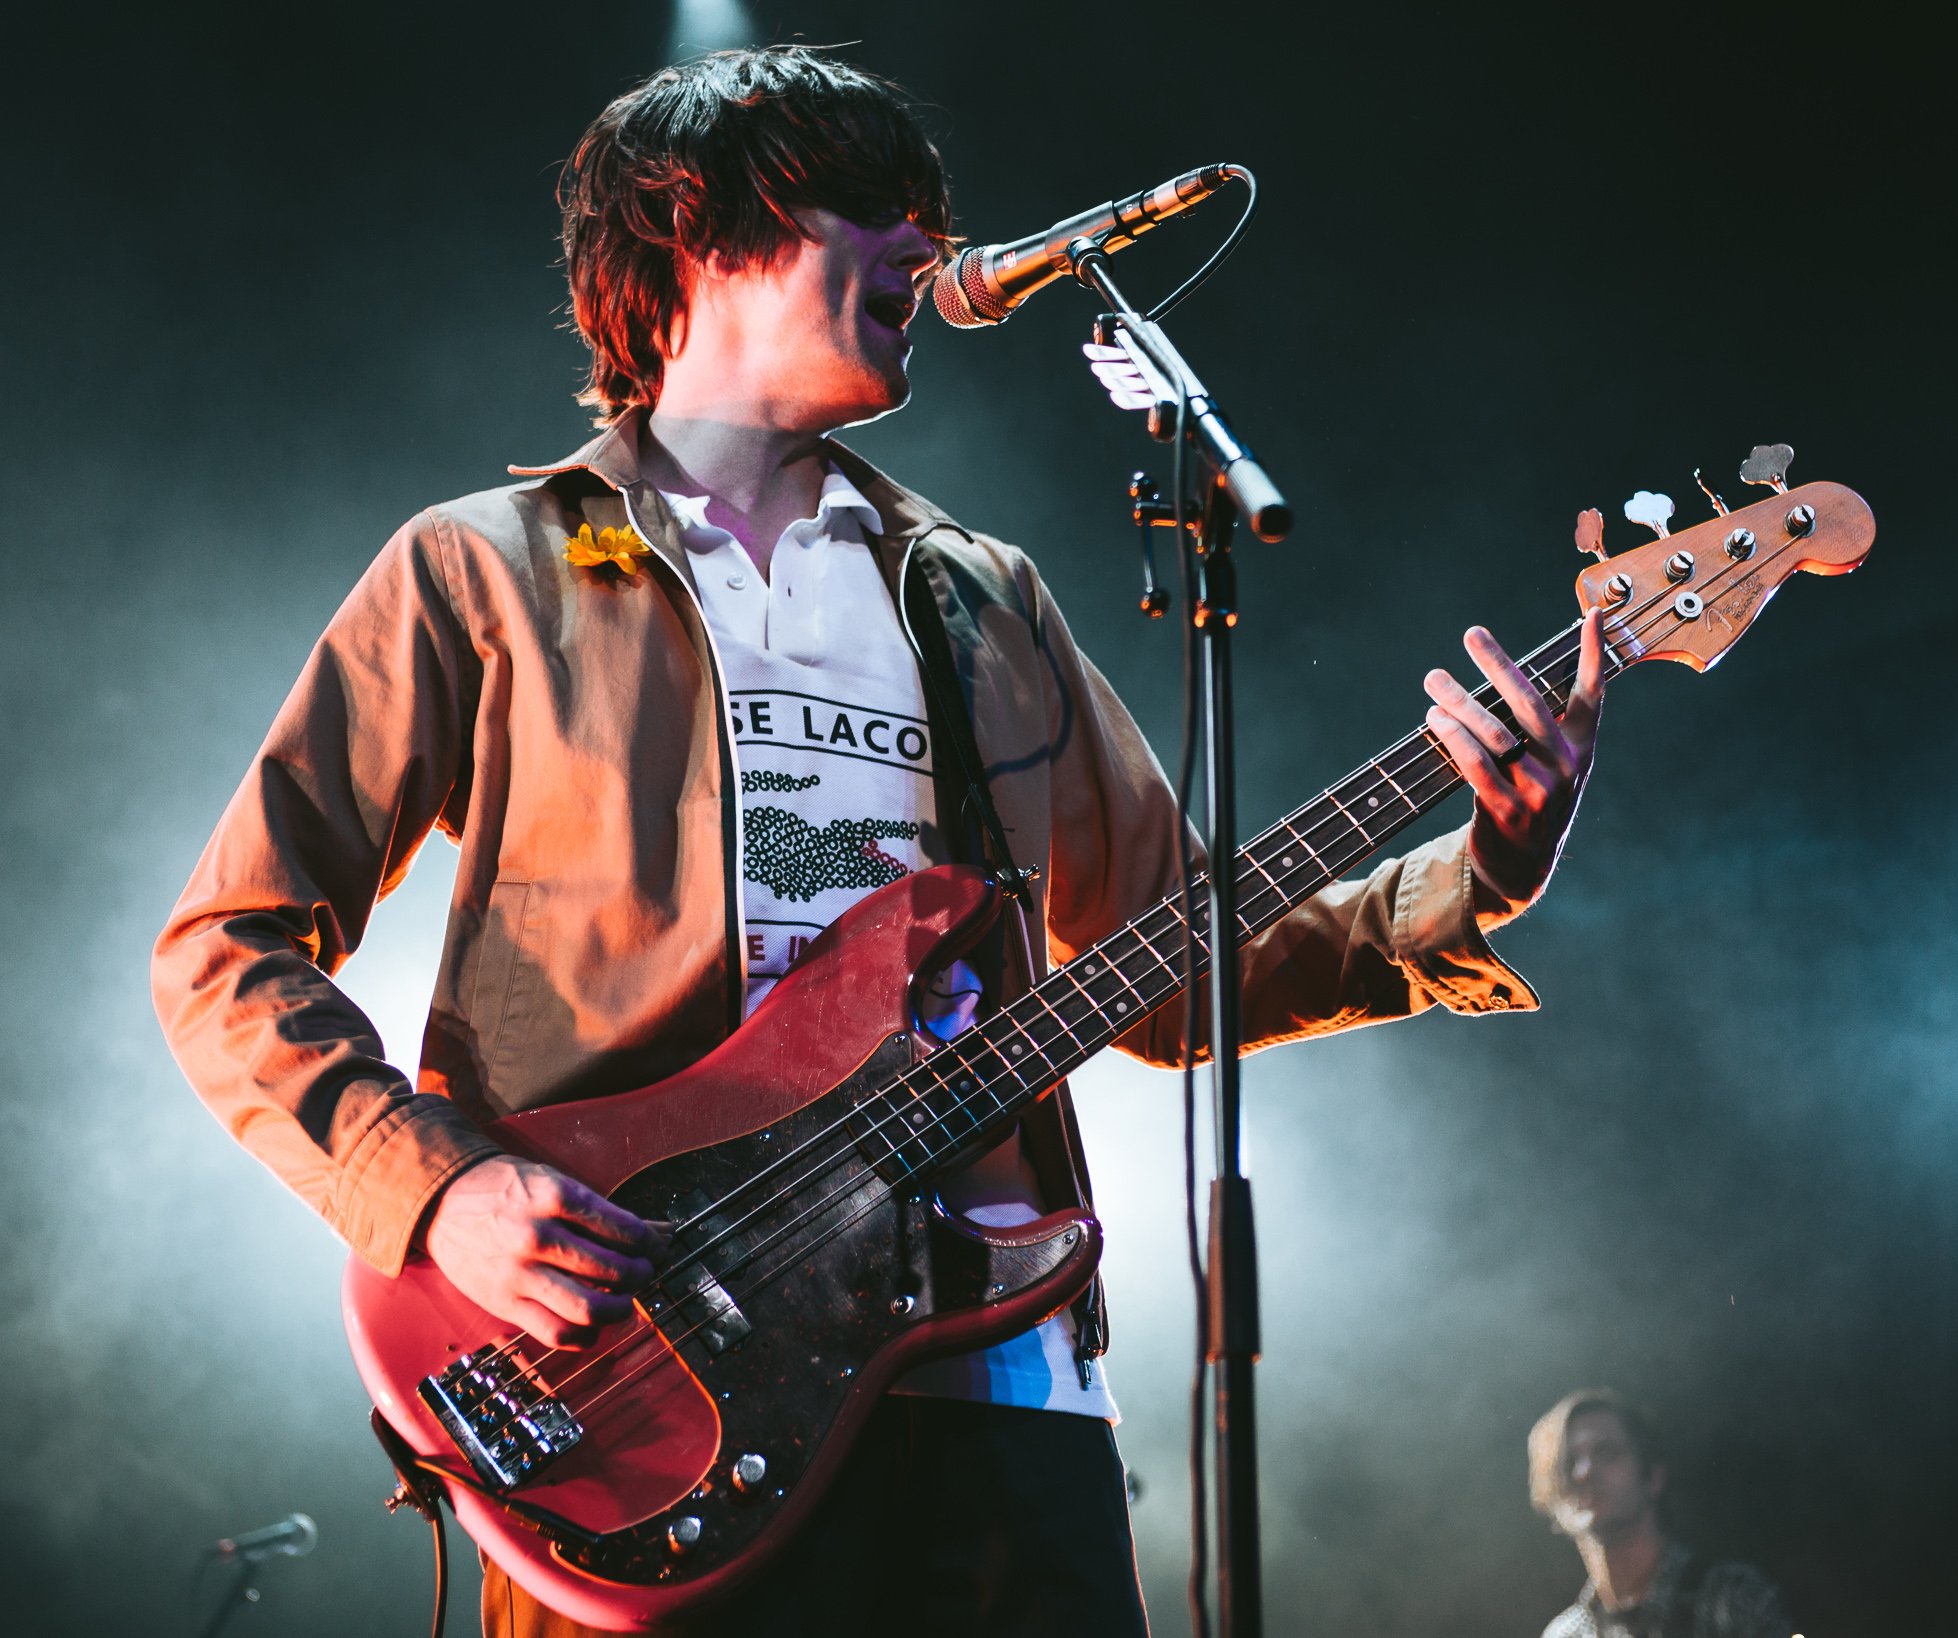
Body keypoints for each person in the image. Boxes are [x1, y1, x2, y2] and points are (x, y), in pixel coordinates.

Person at [152, 46, 1604, 1637]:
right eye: (869, 206)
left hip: (990, 1374)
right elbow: (228, 945)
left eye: (931, 213)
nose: (924, 244)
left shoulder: (982, 593)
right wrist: (432, 1190)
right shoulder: (493, 571)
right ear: (696, 232)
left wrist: (1486, 863)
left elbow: (1179, 966)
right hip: (640, 1376)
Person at [1528, 1390, 1793, 1638]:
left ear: (1654, 1477)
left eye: (1606, 1452)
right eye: (1568, 1461)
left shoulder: (1728, 1598)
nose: (1583, 1472)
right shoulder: (1564, 1633)